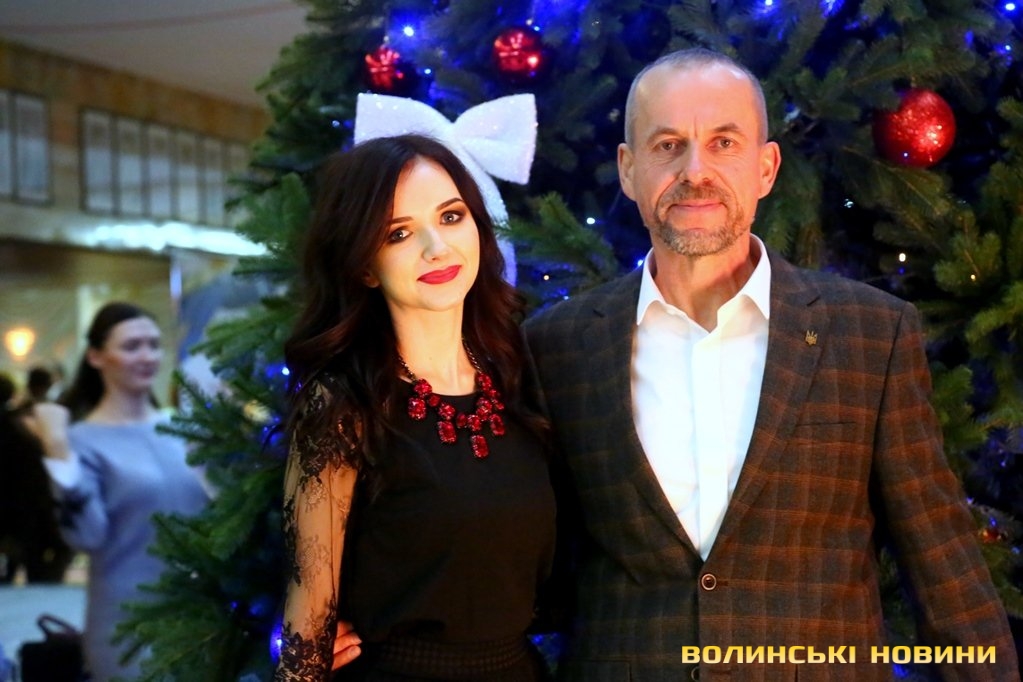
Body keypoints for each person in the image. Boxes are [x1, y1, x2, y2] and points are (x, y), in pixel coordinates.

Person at [523, 48, 1020, 681]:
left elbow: (943, 561)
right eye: (668, 146)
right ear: (628, 169)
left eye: (723, 143)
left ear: (765, 168)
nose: (694, 171)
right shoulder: (558, 345)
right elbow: (522, 556)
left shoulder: (869, 334)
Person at [273, 134, 556, 682]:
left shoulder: (521, 376)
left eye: (451, 217)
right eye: (398, 233)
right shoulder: (343, 404)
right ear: (365, 265)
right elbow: (306, 636)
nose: (436, 246)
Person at [25, 302, 209, 682]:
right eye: (131, 346)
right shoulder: (82, 441)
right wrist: (56, 446)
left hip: (202, 619)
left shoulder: (179, 429)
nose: (147, 356)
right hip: (128, 626)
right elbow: (86, 535)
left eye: (153, 344)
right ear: (96, 356)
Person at [0, 372, 73, 584]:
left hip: (15, 502)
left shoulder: (15, 420)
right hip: (37, 499)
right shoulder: (51, 417)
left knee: (21, 557)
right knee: (39, 559)